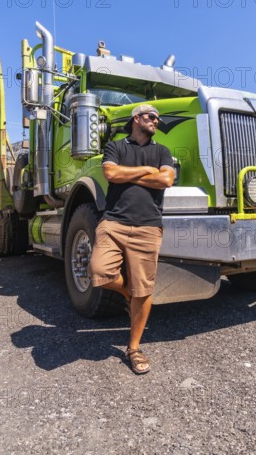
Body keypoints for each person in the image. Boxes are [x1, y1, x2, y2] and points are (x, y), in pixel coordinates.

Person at [89, 104, 175, 374]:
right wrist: (148, 171)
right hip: (113, 222)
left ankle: (134, 348)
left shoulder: (162, 150)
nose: (156, 121)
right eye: (152, 116)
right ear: (136, 118)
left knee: (145, 289)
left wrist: (131, 175)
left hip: (147, 227)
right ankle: (129, 294)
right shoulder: (116, 146)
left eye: (157, 118)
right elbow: (111, 174)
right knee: (99, 271)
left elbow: (167, 181)